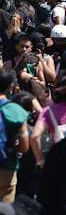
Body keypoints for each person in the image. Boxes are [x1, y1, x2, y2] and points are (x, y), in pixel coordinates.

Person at [0, 69, 29, 202]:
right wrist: (11, 149)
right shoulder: (17, 111)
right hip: (7, 166)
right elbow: (24, 147)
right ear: (11, 86)